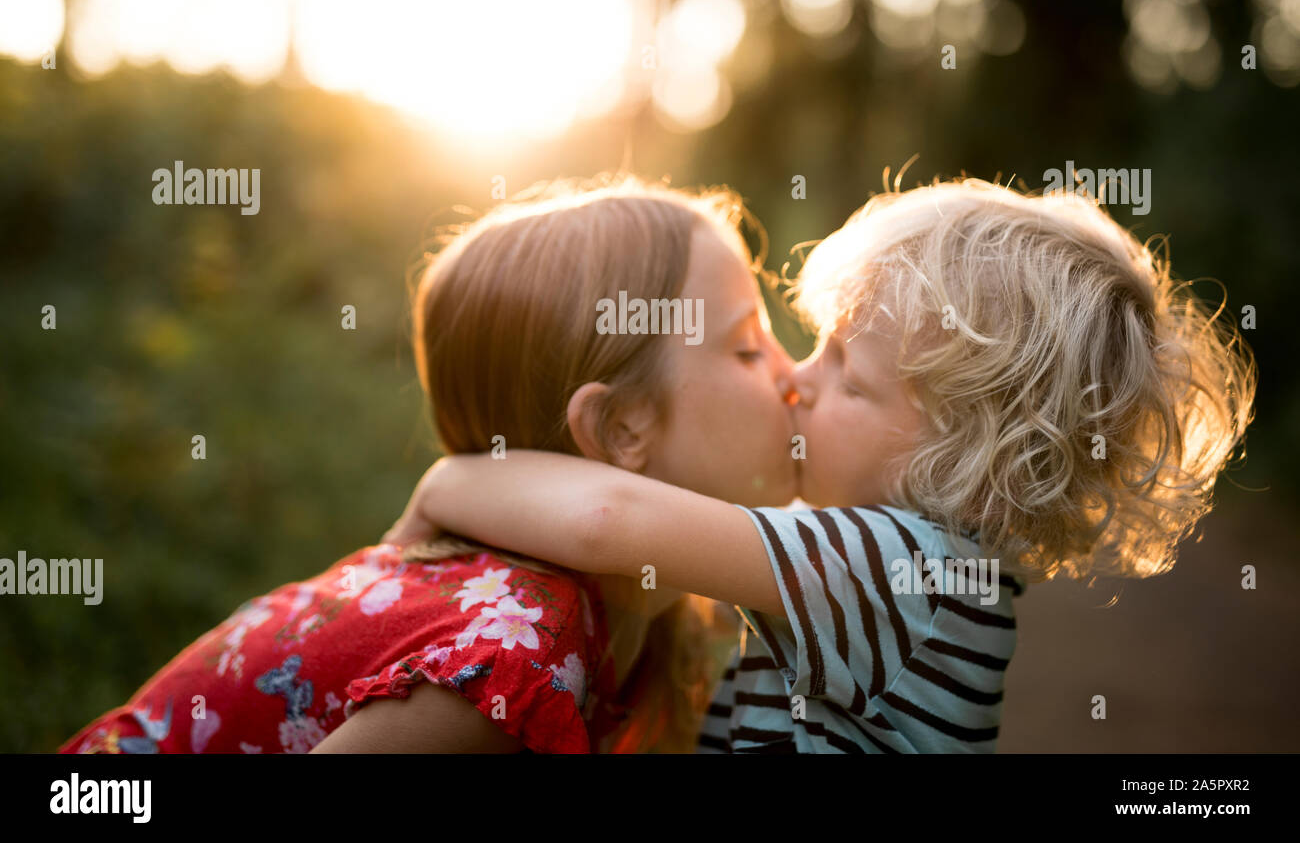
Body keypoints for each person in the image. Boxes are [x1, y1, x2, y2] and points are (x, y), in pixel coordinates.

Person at [386, 178, 1257, 752]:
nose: (798, 381)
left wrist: (449, 483)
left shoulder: (908, 573)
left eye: (847, 372)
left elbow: (611, 522)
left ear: (962, 454)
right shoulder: (922, 573)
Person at [59, 175, 799, 754]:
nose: (790, 374)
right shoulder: (520, 642)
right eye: (746, 346)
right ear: (620, 427)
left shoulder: (659, 617)